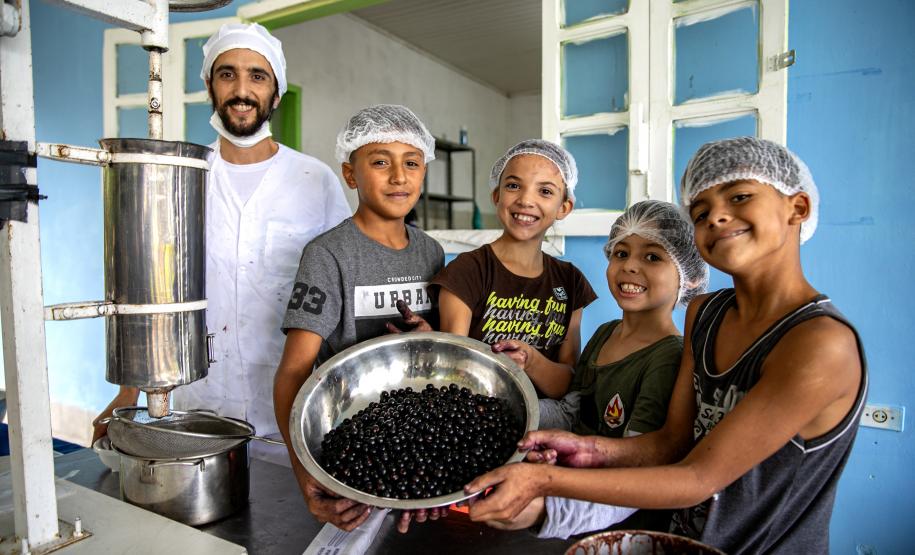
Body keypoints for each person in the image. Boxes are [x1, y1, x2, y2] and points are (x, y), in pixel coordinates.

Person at [464, 137, 867, 554]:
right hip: (680, 540)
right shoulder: (705, 314)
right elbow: (669, 444)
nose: (717, 217)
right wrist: (587, 448)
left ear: (797, 208)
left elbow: (697, 477)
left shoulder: (820, 344)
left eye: (740, 196)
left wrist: (545, 487)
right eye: (701, 212)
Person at [92, 23, 352, 454]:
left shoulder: (315, 180)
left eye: (257, 76)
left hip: (294, 417)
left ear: (276, 93)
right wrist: (128, 393)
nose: (242, 90)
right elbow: (150, 289)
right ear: (210, 86)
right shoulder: (181, 178)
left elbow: (342, 288)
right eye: (227, 74)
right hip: (200, 412)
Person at [273, 105, 445, 532]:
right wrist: (305, 474)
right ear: (350, 175)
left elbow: (440, 353)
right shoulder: (328, 255)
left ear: (424, 172)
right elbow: (294, 371)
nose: (399, 177)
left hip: (421, 441)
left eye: (412, 163)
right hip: (354, 442)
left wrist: (428, 336)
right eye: (381, 162)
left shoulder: (432, 252)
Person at [493, 200, 707, 539]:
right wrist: (505, 414)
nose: (630, 267)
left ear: (690, 277)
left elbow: (638, 466)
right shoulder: (606, 333)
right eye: (621, 253)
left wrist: (549, 508)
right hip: (566, 487)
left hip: (615, 525)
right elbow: (572, 412)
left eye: (653, 257)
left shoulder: (667, 358)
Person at [429, 140, 597, 399]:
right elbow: (452, 370)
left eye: (545, 191)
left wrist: (530, 361)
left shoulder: (570, 281)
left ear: (564, 207)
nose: (526, 200)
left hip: (548, 415)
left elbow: (567, 383)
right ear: (496, 195)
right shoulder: (467, 272)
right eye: (514, 186)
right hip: (477, 412)